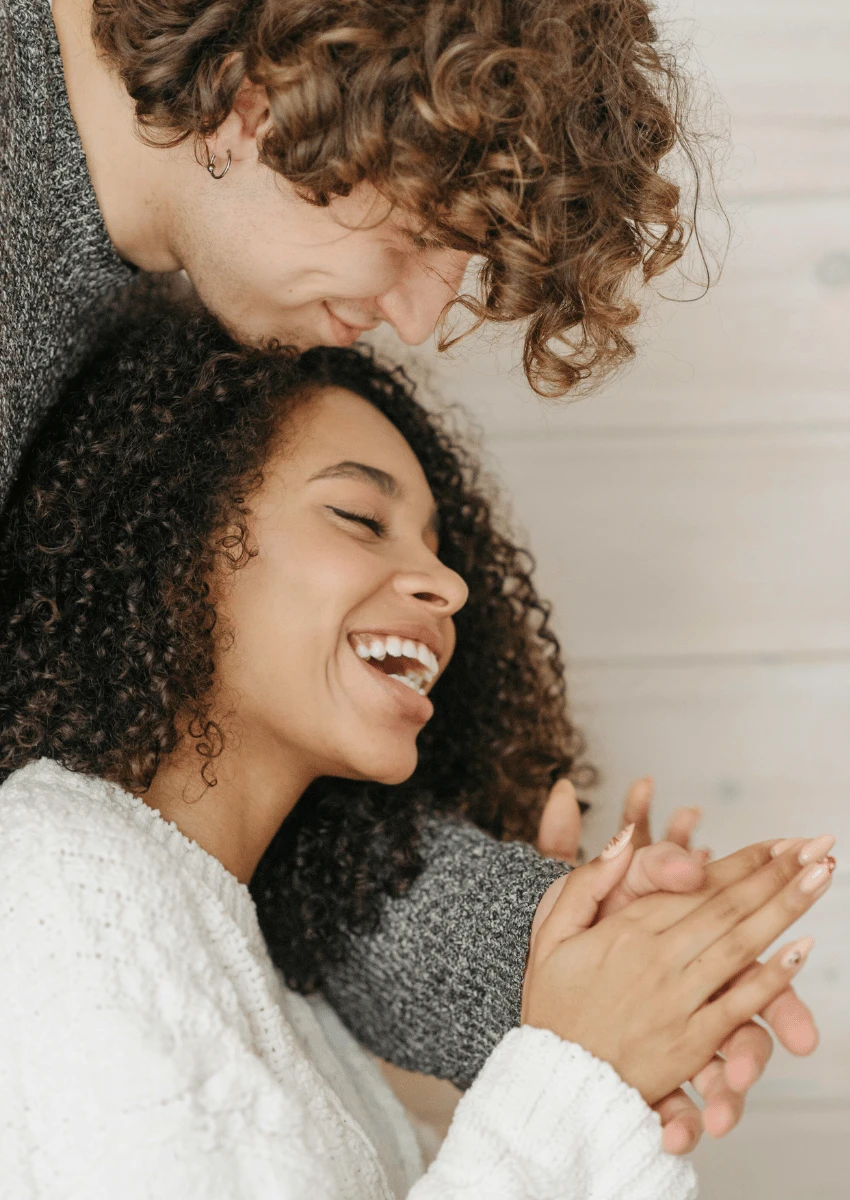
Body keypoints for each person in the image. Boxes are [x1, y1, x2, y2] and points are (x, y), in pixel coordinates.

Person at [0, 0, 817, 1148]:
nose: (422, 316)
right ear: (266, 84)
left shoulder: (179, 301)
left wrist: (545, 954)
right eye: (425, 227)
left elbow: (163, 789)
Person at [0, 300, 834, 1196]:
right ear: (172, 541)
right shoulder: (52, 871)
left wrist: (598, 1025)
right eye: (360, 518)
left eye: (438, 548)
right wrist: (578, 1065)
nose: (448, 585)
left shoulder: (275, 978)